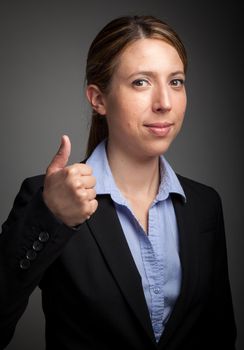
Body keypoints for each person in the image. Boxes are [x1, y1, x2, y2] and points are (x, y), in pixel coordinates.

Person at [0, 15, 236, 350]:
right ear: (98, 99)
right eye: (141, 82)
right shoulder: (48, 199)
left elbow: (219, 334)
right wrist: (50, 217)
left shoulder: (205, 204)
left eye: (176, 82)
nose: (164, 103)